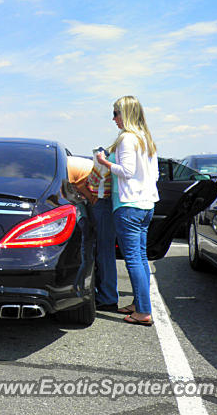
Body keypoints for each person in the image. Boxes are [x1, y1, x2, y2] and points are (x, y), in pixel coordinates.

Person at [96, 96, 159, 326]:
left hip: (128, 206)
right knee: (140, 257)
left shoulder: (126, 138)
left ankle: (143, 312)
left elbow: (127, 171)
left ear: (127, 114)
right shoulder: (146, 138)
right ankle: (139, 303)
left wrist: (104, 161)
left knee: (132, 260)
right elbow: (155, 175)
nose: (114, 118)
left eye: (116, 113)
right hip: (146, 205)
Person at [66, 156, 117, 313]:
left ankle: (108, 298)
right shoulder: (67, 162)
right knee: (101, 249)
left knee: (104, 250)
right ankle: (104, 294)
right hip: (101, 197)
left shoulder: (63, 166)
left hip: (101, 200)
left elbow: (80, 186)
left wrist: (91, 199)